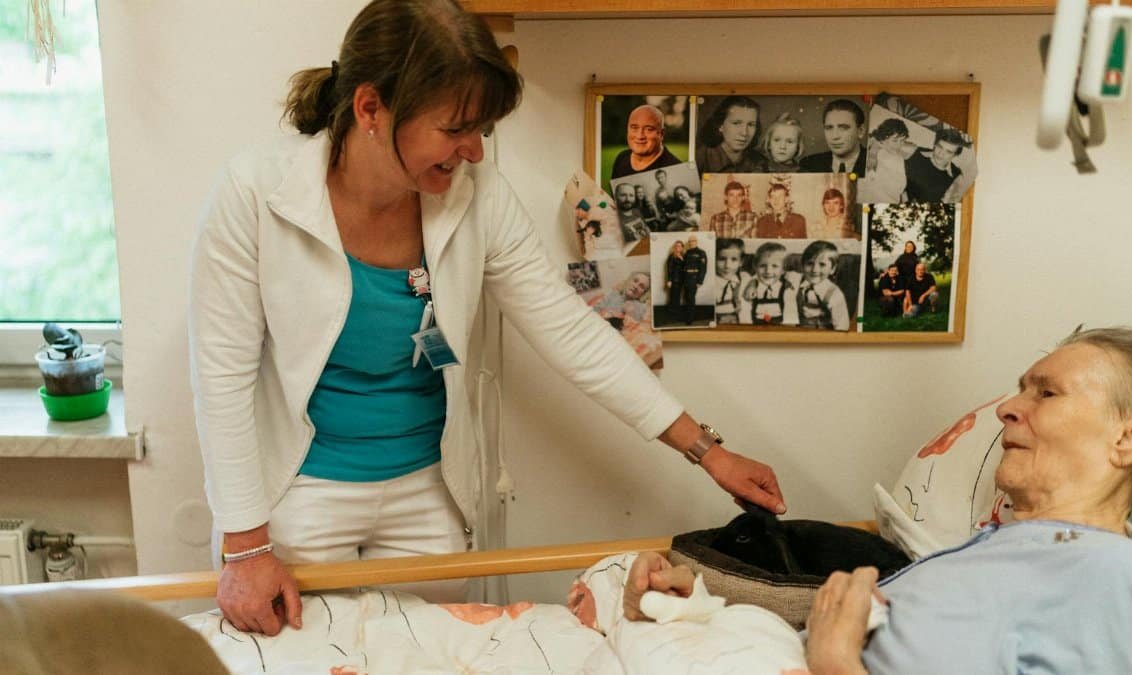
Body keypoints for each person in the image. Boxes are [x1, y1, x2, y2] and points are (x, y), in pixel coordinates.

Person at [189, 0, 784, 638]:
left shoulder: (479, 198)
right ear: (370, 109)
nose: (473, 150)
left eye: (483, 130)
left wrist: (707, 452)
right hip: (301, 496)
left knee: (423, 653)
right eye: (455, 129)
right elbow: (220, 372)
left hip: (427, 493)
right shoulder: (255, 193)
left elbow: (570, 330)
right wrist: (246, 547)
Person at [627, 328, 1132, 674]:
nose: (1007, 407)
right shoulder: (981, 553)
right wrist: (686, 615)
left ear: (1131, 437)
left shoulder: (1115, 573)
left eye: (1046, 392)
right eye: (1021, 387)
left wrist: (837, 665)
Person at [610, 104, 681, 180]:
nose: (640, 136)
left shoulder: (677, 171)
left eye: (649, 129)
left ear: (661, 134)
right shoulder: (622, 158)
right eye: (634, 128)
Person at [696, 96, 765, 175]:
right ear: (720, 125)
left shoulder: (760, 162)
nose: (744, 133)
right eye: (736, 123)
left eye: (751, 124)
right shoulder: (699, 160)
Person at [798, 99, 868, 176]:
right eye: (829, 128)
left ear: (860, 131)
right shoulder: (808, 165)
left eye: (843, 128)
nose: (835, 136)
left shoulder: (877, 164)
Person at [794, 240, 850, 330]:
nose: (815, 270)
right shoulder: (796, 284)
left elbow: (842, 326)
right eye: (810, 263)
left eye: (822, 265)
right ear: (802, 265)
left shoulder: (835, 294)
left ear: (832, 269)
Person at [904, 128, 965, 203]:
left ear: (955, 155)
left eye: (948, 152)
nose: (941, 154)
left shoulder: (956, 178)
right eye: (940, 147)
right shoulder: (915, 152)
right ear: (935, 144)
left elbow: (948, 205)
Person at [738, 242, 792, 325]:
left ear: (783, 270)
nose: (768, 271)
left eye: (775, 266)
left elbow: (790, 313)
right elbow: (745, 311)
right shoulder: (750, 287)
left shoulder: (786, 288)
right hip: (756, 326)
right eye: (763, 266)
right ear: (755, 267)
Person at [859, 118, 910, 204]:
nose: (898, 145)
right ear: (883, 138)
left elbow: (900, 186)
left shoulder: (899, 158)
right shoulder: (869, 149)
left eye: (902, 141)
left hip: (887, 200)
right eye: (895, 141)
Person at [713, 238, 747, 325]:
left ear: (741, 262)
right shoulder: (712, 280)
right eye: (722, 259)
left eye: (734, 259)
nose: (727, 265)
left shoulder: (743, 277)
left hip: (736, 318)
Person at [681, 235, 709, 325]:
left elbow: (703, 268)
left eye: (692, 241)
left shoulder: (701, 253)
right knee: (686, 297)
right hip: (685, 277)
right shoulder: (687, 252)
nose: (691, 243)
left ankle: (690, 319)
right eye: (689, 242)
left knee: (690, 298)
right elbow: (683, 266)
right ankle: (687, 316)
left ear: (696, 242)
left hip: (694, 278)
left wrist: (700, 281)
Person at [664, 240, 686, 313]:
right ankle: (672, 310)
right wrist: (669, 280)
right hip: (674, 279)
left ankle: (676, 310)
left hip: (681, 279)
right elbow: (669, 269)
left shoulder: (684, 256)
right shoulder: (672, 256)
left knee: (678, 295)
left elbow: (685, 267)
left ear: (682, 248)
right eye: (676, 246)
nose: (677, 247)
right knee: (673, 295)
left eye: (679, 246)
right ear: (674, 247)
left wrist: (682, 260)